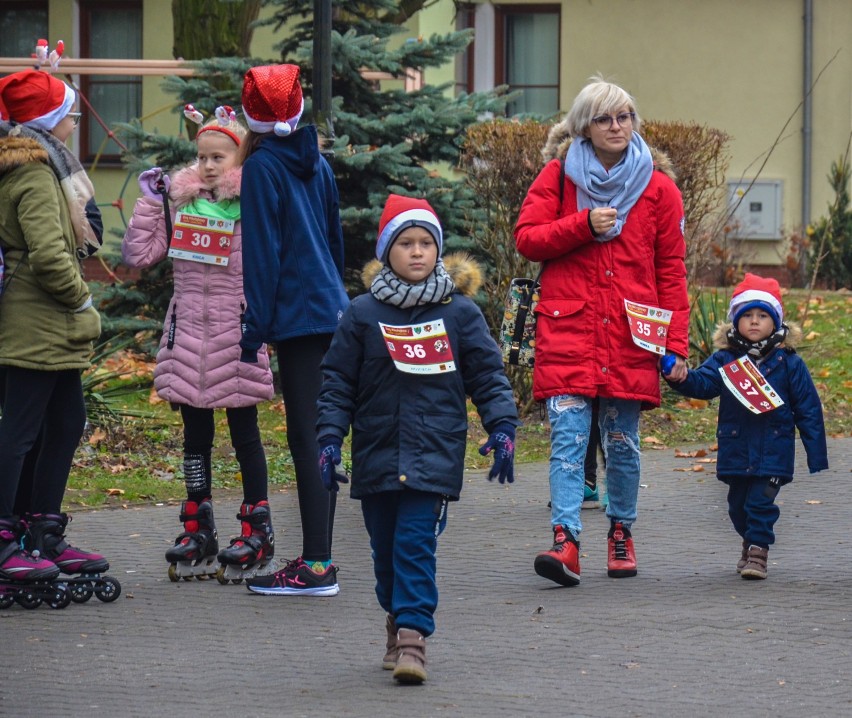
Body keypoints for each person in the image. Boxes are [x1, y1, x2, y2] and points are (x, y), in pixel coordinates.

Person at [315, 194, 519, 684]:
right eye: (405, 243)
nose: (417, 252)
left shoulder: (460, 313)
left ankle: (413, 638)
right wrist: (328, 439)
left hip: (434, 449)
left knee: (413, 544)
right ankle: (395, 616)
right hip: (377, 449)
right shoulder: (363, 314)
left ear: (437, 250)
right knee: (384, 550)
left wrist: (503, 426)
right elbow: (337, 382)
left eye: (426, 243)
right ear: (387, 251)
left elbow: (487, 376)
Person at [515, 75, 690, 587]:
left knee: (622, 442)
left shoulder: (659, 189)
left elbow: (672, 272)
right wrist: (583, 225)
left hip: (633, 336)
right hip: (569, 330)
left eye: (625, 117)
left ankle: (621, 531)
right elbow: (528, 239)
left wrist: (676, 345)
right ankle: (565, 541)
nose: (617, 126)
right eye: (605, 118)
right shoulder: (558, 177)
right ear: (583, 128)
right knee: (567, 441)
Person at [122, 106, 276, 582]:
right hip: (187, 334)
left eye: (220, 156)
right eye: (202, 156)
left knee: (246, 435)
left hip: (236, 334)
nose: (209, 165)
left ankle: (258, 528)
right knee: (195, 438)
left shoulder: (252, 205)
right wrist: (151, 202)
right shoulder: (180, 204)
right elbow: (139, 255)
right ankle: (198, 525)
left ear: (240, 157)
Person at [236, 64, 349, 597]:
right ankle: (319, 559)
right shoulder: (317, 162)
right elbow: (333, 242)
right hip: (330, 309)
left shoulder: (261, 169)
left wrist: (252, 330)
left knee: (308, 438)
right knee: (324, 434)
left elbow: (263, 256)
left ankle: (318, 566)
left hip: (296, 319)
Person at [0, 68, 109, 601]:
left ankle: (43, 529)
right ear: (46, 121)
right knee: (22, 431)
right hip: (35, 319)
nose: (73, 119)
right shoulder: (35, 173)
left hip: (46, 324)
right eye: (67, 111)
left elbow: (68, 240)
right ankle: (5, 536)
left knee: (65, 422)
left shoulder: (47, 166)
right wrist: (81, 300)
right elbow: (46, 255)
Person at [666, 274, 828, 579]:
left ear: (776, 321)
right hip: (736, 448)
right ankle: (749, 541)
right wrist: (681, 378)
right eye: (747, 316)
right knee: (737, 507)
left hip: (774, 452)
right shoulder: (725, 359)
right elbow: (704, 385)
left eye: (762, 315)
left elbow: (808, 409)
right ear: (735, 322)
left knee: (760, 504)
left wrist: (815, 455)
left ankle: (759, 552)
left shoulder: (788, 362)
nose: (754, 322)